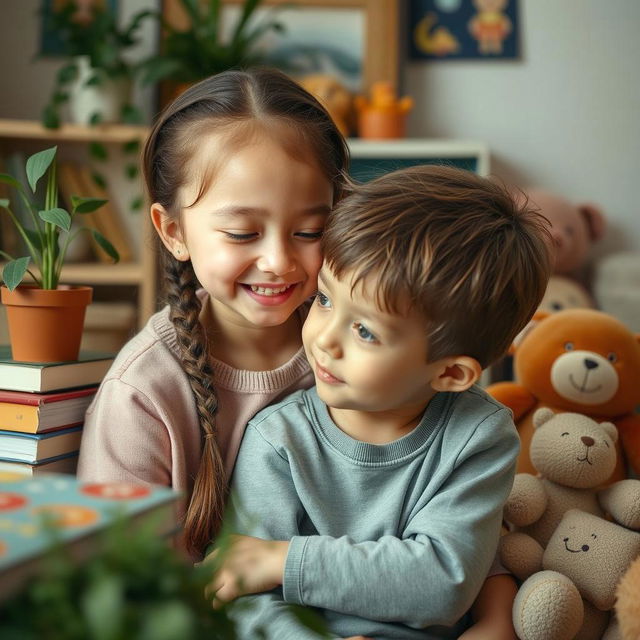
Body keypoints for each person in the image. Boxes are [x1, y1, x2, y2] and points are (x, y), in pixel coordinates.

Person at [209, 165, 553, 639]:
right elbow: (242, 592)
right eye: (326, 300)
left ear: (450, 373)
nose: (325, 340)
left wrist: (284, 560)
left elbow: (442, 582)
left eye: (365, 331)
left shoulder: (479, 435)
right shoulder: (278, 439)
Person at [77, 67, 350, 559]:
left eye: (309, 231)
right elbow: (127, 592)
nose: (278, 262)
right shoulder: (142, 394)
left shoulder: (365, 347)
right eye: (243, 233)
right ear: (173, 231)